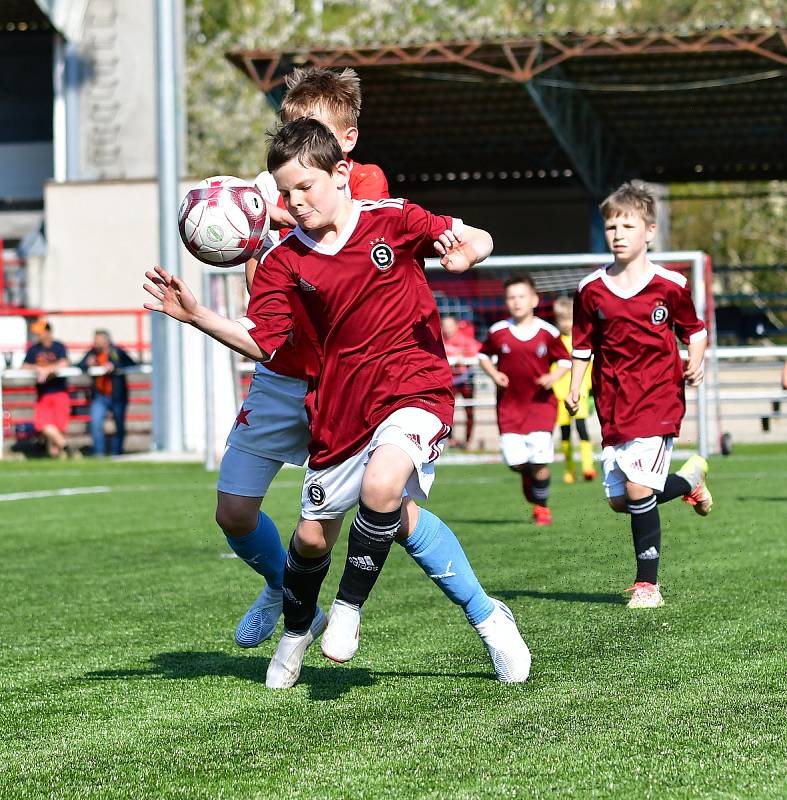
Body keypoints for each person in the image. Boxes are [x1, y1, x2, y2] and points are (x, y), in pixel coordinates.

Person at [144, 118, 532, 689]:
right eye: (286, 193)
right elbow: (265, 341)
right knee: (310, 537)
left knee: (382, 489)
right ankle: (298, 627)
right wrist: (198, 315)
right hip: (336, 406)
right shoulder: (283, 263)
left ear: (343, 171)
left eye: (307, 188)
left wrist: (468, 250)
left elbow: (475, 235)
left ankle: (355, 609)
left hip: (414, 387)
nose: (296, 202)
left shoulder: (394, 219)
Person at [216, 67, 389, 651]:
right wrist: (242, 233)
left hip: (343, 379)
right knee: (234, 513)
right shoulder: (264, 189)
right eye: (288, 129)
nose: (294, 147)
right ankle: (282, 585)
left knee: (387, 511)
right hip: (279, 372)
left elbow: (349, 226)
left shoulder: (362, 179)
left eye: (308, 129)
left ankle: (485, 616)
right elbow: (257, 288)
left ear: (344, 140)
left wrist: (278, 213)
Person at [566, 181, 713, 610]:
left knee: (635, 489)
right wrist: (575, 387)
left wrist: (696, 359)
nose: (618, 233)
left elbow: (695, 330)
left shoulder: (670, 284)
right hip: (613, 403)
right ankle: (688, 481)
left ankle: (647, 584)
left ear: (648, 231)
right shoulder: (590, 289)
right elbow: (582, 344)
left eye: (627, 225)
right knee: (620, 500)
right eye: (611, 225)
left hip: (659, 398)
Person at [478, 276, 571, 527]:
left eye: (521, 296)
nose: (516, 302)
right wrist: (494, 373)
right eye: (511, 297)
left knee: (540, 461)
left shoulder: (548, 332)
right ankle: (527, 476)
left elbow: (565, 360)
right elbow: (483, 355)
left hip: (541, 406)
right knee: (516, 462)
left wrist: (553, 376)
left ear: (534, 300)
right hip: (509, 407)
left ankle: (542, 508)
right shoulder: (498, 332)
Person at [551, 296, 596, 483]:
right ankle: (569, 470)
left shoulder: (583, 340)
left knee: (582, 429)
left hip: (581, 393)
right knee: (565, 433)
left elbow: (590, 364)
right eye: (562, 319)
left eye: (569, 318)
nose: (566, 323)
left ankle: (588, 467)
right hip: (559, 395)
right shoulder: (554, 342)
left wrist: (593, 387)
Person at [77, 330, 137, 456]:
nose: (95, 343)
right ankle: (99, 453)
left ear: (106, 341)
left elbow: (131, 363)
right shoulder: (92, 353)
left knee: (119, 424)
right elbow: (78, 364)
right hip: (99, 395)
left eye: (98, 340)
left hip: (117, 395)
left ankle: (117, 453)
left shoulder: (116, 351)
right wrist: (87, 364)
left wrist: (114, 366)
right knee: (96, 423)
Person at [22, 321, 71, 458]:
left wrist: (48, 370)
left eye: (40, 332)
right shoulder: (34, 349)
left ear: (48, 332)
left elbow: (65, 362)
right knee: (41, 424)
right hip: (43, 393)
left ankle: (57, 454)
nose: (38, 335)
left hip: (59, 391)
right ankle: (65, 446)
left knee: (58, 426)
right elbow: (25, 365)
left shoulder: (58, 347)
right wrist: (37, 369)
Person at [441, 315, 482, 448]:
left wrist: (462, 358)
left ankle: (468, 441)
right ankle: (450, 439)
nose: (447, 329)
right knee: (445, 410)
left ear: (457, 326)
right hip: (448, 381)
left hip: (465, 380)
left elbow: (476, 354)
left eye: (450, 326)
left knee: (469, 410)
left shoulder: (466, 340)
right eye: (445, 326)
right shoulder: (439, 340)